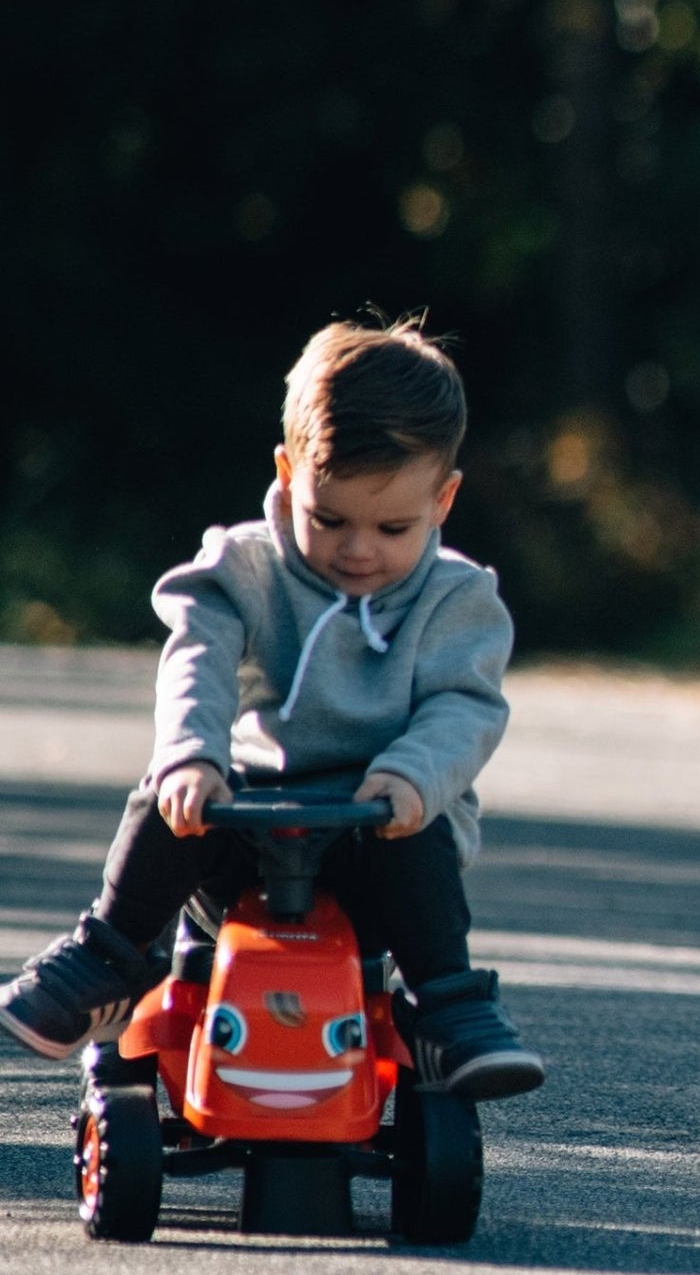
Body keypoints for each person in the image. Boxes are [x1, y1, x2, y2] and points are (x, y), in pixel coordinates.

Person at [0, 318, 544, 1100]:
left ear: (444, 499)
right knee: (170, 799)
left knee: (419, 835)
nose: (358, 549)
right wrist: (193, 755)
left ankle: (449, 1007)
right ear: (289, 477)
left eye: (392, 527)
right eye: (329, 519)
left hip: (375, 832)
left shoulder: (458, 601)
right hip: (245, 827)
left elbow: (465, 706)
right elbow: (198, 658)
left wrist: (413, 776)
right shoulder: (244, 569)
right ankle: (110, 955)